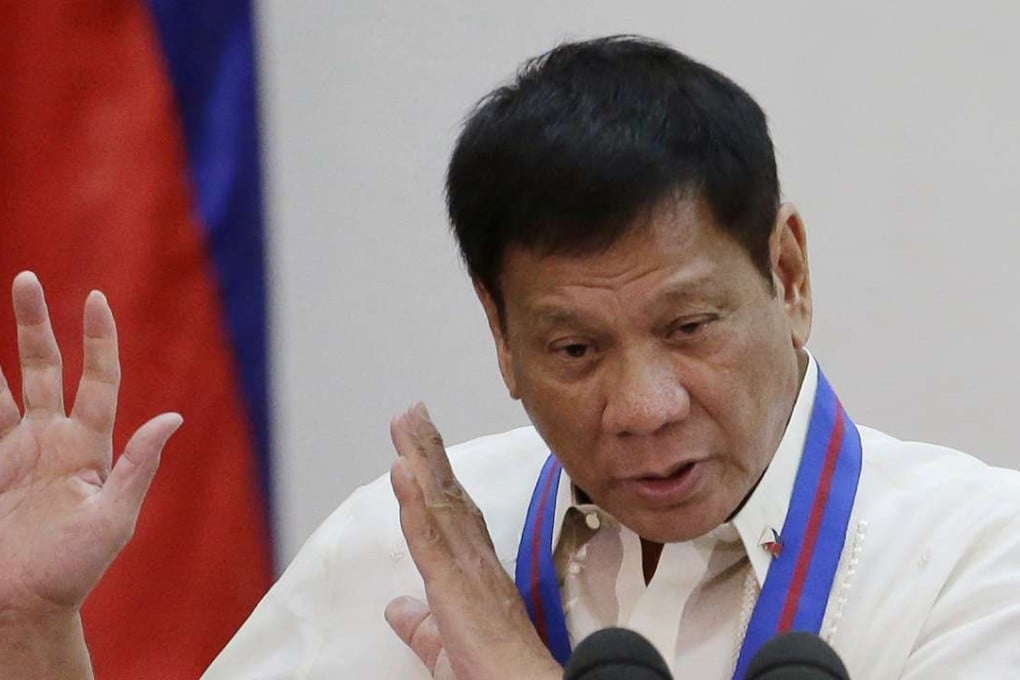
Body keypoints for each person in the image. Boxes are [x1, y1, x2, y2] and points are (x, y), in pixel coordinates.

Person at [1, 36, 1018, 679]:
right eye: (575, 347)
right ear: (500, 334)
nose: (643, 404)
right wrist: (32, 626)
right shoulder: (401, 544)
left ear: (787, 275)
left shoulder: (976, 559)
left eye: (688, 326)